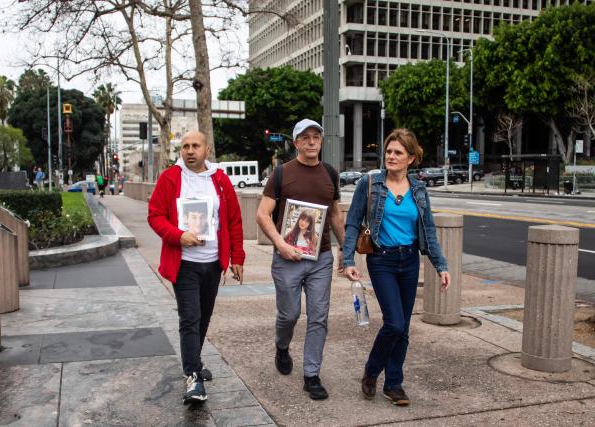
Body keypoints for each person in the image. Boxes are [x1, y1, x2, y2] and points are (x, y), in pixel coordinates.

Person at [342, 128, 451, 406]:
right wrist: (348, 260)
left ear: (411, 158)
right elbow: (353, 222)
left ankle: (394, 384)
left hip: (409, 260)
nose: (391, 156)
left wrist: (441, 265)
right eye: (389, 151)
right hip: (382, 260)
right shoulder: (369, 184)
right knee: (394, 323)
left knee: (403, 329)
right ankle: (371, 371)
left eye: (398, 152)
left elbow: (428, 229)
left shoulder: (419, 189)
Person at [147, 130, 245, 405]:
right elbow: (155, 215)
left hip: (213, 263)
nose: (190, 151)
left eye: (195, 146)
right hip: (184, 264)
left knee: (203, 318)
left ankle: (195, 363)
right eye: (185, 146)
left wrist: (237, 257)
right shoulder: (170, 178)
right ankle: (193, 377)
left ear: (206, 149)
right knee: (189, 318)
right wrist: (178, 236)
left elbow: (234, 221)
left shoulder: (221, 180)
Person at [256, 118, 345, 400]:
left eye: (315, 136)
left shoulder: (330, 173)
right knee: (290, 314)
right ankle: (282, 347)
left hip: (321, 258)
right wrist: (280, 244)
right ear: (296, 143)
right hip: (288, 257)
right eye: (304, 137)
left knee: (319, 317)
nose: (311, 141)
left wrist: (348, 250)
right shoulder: (281, 174)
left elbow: (335, 214)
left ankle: (311, 375)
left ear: (321, 141)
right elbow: (262, 214)